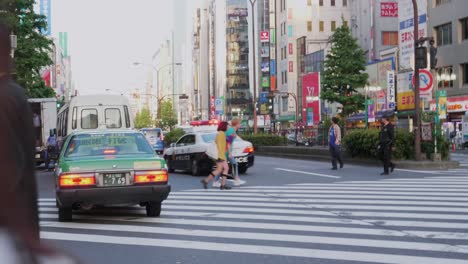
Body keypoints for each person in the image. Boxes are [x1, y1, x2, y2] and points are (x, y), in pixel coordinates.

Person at [213, 119, 246, 187]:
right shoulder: (232, 131)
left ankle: (215, 182)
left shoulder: (231, 130)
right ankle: (236, 180)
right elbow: (228, 143)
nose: (240, 125)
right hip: (226, 152)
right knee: (234, 164)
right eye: (239, 124)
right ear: (236, 124)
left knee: (222, 167)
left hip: (224, 151)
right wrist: (229, 153)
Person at [201, 121, 232, 190]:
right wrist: (222, 156)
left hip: (218, 155)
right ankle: (223, 185)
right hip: (220, 155)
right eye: (227, 126)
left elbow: (217, 143)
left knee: (219, 169)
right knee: (226, 168)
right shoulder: (222, 134)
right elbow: (220, 146)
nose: (228, 127)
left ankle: (206, 181)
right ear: (224, 126)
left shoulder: (220, 134)